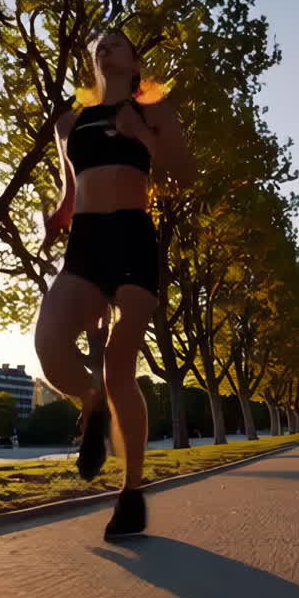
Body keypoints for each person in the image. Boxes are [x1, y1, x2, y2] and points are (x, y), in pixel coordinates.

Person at [34, 29, 196, 541]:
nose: (105, 47)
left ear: (133, 61)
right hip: (86, 245)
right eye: (98, 44)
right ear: (93, 61)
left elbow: (185, 172)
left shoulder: (155, 110)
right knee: (49, 347)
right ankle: (90, 400)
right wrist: (56, 219)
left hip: (132, 238)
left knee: (123, 366)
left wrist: (142, 135)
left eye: (116, 43)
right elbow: (70, 190)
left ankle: (130, 495)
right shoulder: (69, 122)